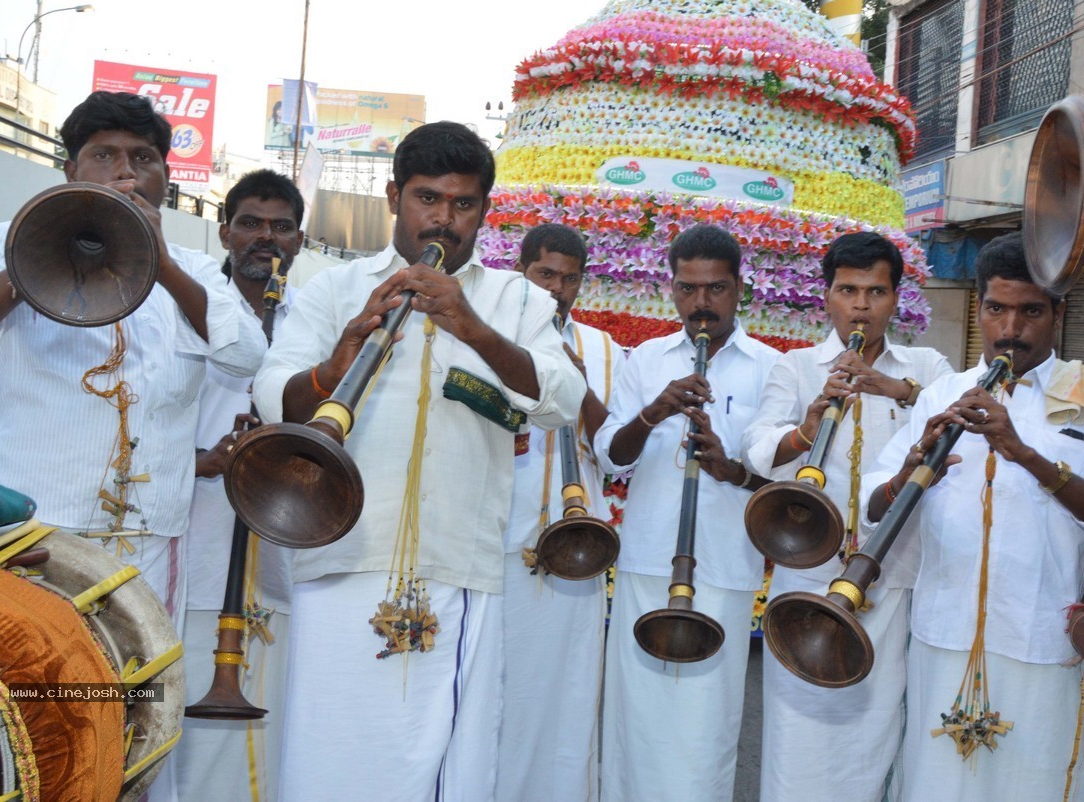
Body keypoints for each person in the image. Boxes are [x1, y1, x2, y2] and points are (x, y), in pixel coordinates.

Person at [252, 121, 585, 799]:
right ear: (393, 197)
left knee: (441, 761)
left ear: (485, 210)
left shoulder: (517, 299)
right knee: (328, 748)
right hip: (339, 547)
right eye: (428, 199)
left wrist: (474, 329)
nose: (445, 219)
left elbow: (563, 402)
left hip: (455, 563)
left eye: (463, 204)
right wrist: (333, 368)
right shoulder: (333, 288)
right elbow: (271, 397)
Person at [0, 90, 266, 802]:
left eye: (143, 159)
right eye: (104, 156)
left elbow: (245, 355)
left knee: (142, 721)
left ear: (166, 179)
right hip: (40, 540)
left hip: (151, 543)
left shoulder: (190, 266)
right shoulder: (13, 236)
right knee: (37, 714)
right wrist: (41, 257)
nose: (125, 173)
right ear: (71, 171)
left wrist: (157, 262)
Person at [860, 232, 1084, 801]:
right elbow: (872, 511)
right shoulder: (945, 392)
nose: (1011, 329)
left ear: (1058, 313)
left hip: (1043, 643)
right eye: (996, 309)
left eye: (1031, 311)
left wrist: (1026, 452)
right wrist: (909, 474)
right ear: (979, 308)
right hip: (944, 639)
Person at [740, 231, 953, 802]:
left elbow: (954, 410)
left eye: (876, 292)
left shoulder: (927, 366)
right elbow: (756, 448)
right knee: (798, 735)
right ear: (827, 296)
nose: (861, 305)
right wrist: (806, 430)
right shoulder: (797, 367)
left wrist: (893, 388)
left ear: (896, 298)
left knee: (877, 731)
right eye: (848, 290)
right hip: (809, 573)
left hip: (892, 578)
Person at [594, 224, 780, 802]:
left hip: (724, 566)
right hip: (649, 561)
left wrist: (729, 467)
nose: (702, 304)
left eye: (716, 289)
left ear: (738, 289)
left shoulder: (772, 367)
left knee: (706, 727)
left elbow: (776, 480)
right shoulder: (646, 360)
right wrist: (654, 412)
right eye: (689, 289)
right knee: (636, 716)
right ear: (671, 290)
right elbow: (612, 458)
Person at [175, 169, 304, 802]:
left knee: (276, 714)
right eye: (250, 223)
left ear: (300, 241)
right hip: (197, 539)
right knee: (189, 718)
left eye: (281, 227)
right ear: (224, 231)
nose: (265, 237)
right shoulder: (185, 303)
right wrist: (204, 459)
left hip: (280, 541)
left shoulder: (317, 323)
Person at [495, 223, 622, 802]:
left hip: (578, 551)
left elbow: (618, 455)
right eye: (546, 274)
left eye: (570, 279)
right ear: (522, 270)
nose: (558, 289)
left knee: (567, 696)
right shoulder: (491, 334)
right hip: (501, 543)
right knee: (497, 692)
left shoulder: (602, 349)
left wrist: (579, 384)